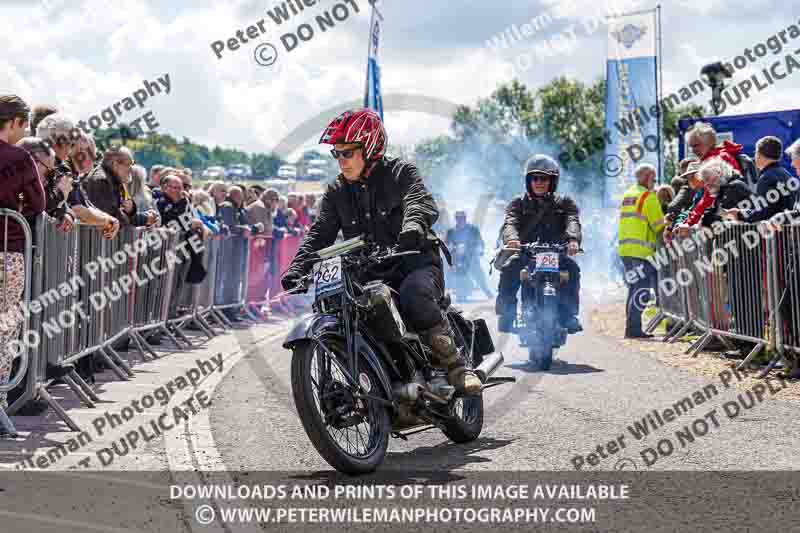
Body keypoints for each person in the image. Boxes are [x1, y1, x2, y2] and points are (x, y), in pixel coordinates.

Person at [281, 108, 481, 394]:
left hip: (414, 262)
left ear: (370, 147)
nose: (341, 161)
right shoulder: (337, 191)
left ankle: (457, 367)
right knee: (348, 308)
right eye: (336, 154)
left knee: (414, 295)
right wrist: (298, 267)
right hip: (371, 271)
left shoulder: (400, 172)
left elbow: (419, 201)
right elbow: (321, 232)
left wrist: (411, 229)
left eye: (347, 153)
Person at [496, 154, 583, 334]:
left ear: (553, 181)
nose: (539, 182)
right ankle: (508, 314)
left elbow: (572, 220)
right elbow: (510, 222)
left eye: (544, 178)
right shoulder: (518, 203)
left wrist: (573, 239)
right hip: (527, 253)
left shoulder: (565, 202)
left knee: (573, 270)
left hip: (556, 254)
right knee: (509, 268)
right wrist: (512, 239)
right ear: (529, 181)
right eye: (535, 178)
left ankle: (568, 315)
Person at [0, 95, 46, 418]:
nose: (25, 130)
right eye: (24, 124)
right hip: (8, 248)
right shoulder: (20, 158)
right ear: (14, 121)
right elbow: (39, 203)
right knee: (5, 324)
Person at [618, 163, 665, 339]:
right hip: (641, 252)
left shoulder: (628, 194)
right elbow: (658, 226)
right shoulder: (648, 196)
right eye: (653, 178)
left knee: (634, 289)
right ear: (646, 177)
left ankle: (631, 327)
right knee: (643, 290)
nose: (654, 182)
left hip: (626, 250)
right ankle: (633, 329)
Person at [724, 136, 798, 223]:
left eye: (755, 152)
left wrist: (739, 214)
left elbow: (763, 213)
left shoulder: (766, 178)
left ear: (759, 154)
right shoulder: (785, 173)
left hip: (779, 232)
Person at [445, 210, 493, 301]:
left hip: (471, 257)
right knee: (456, 275)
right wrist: (451, 250)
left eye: (462, 218)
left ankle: (487, 292)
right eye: (458, 218)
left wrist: (480, 250)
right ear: (456, 219)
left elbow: (480, 242)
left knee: (478, 274)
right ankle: (460, 293)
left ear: (465, 219)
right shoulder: (451, 231)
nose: (460, 220)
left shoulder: (473, 229)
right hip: (457, 258)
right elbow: (446, 244)